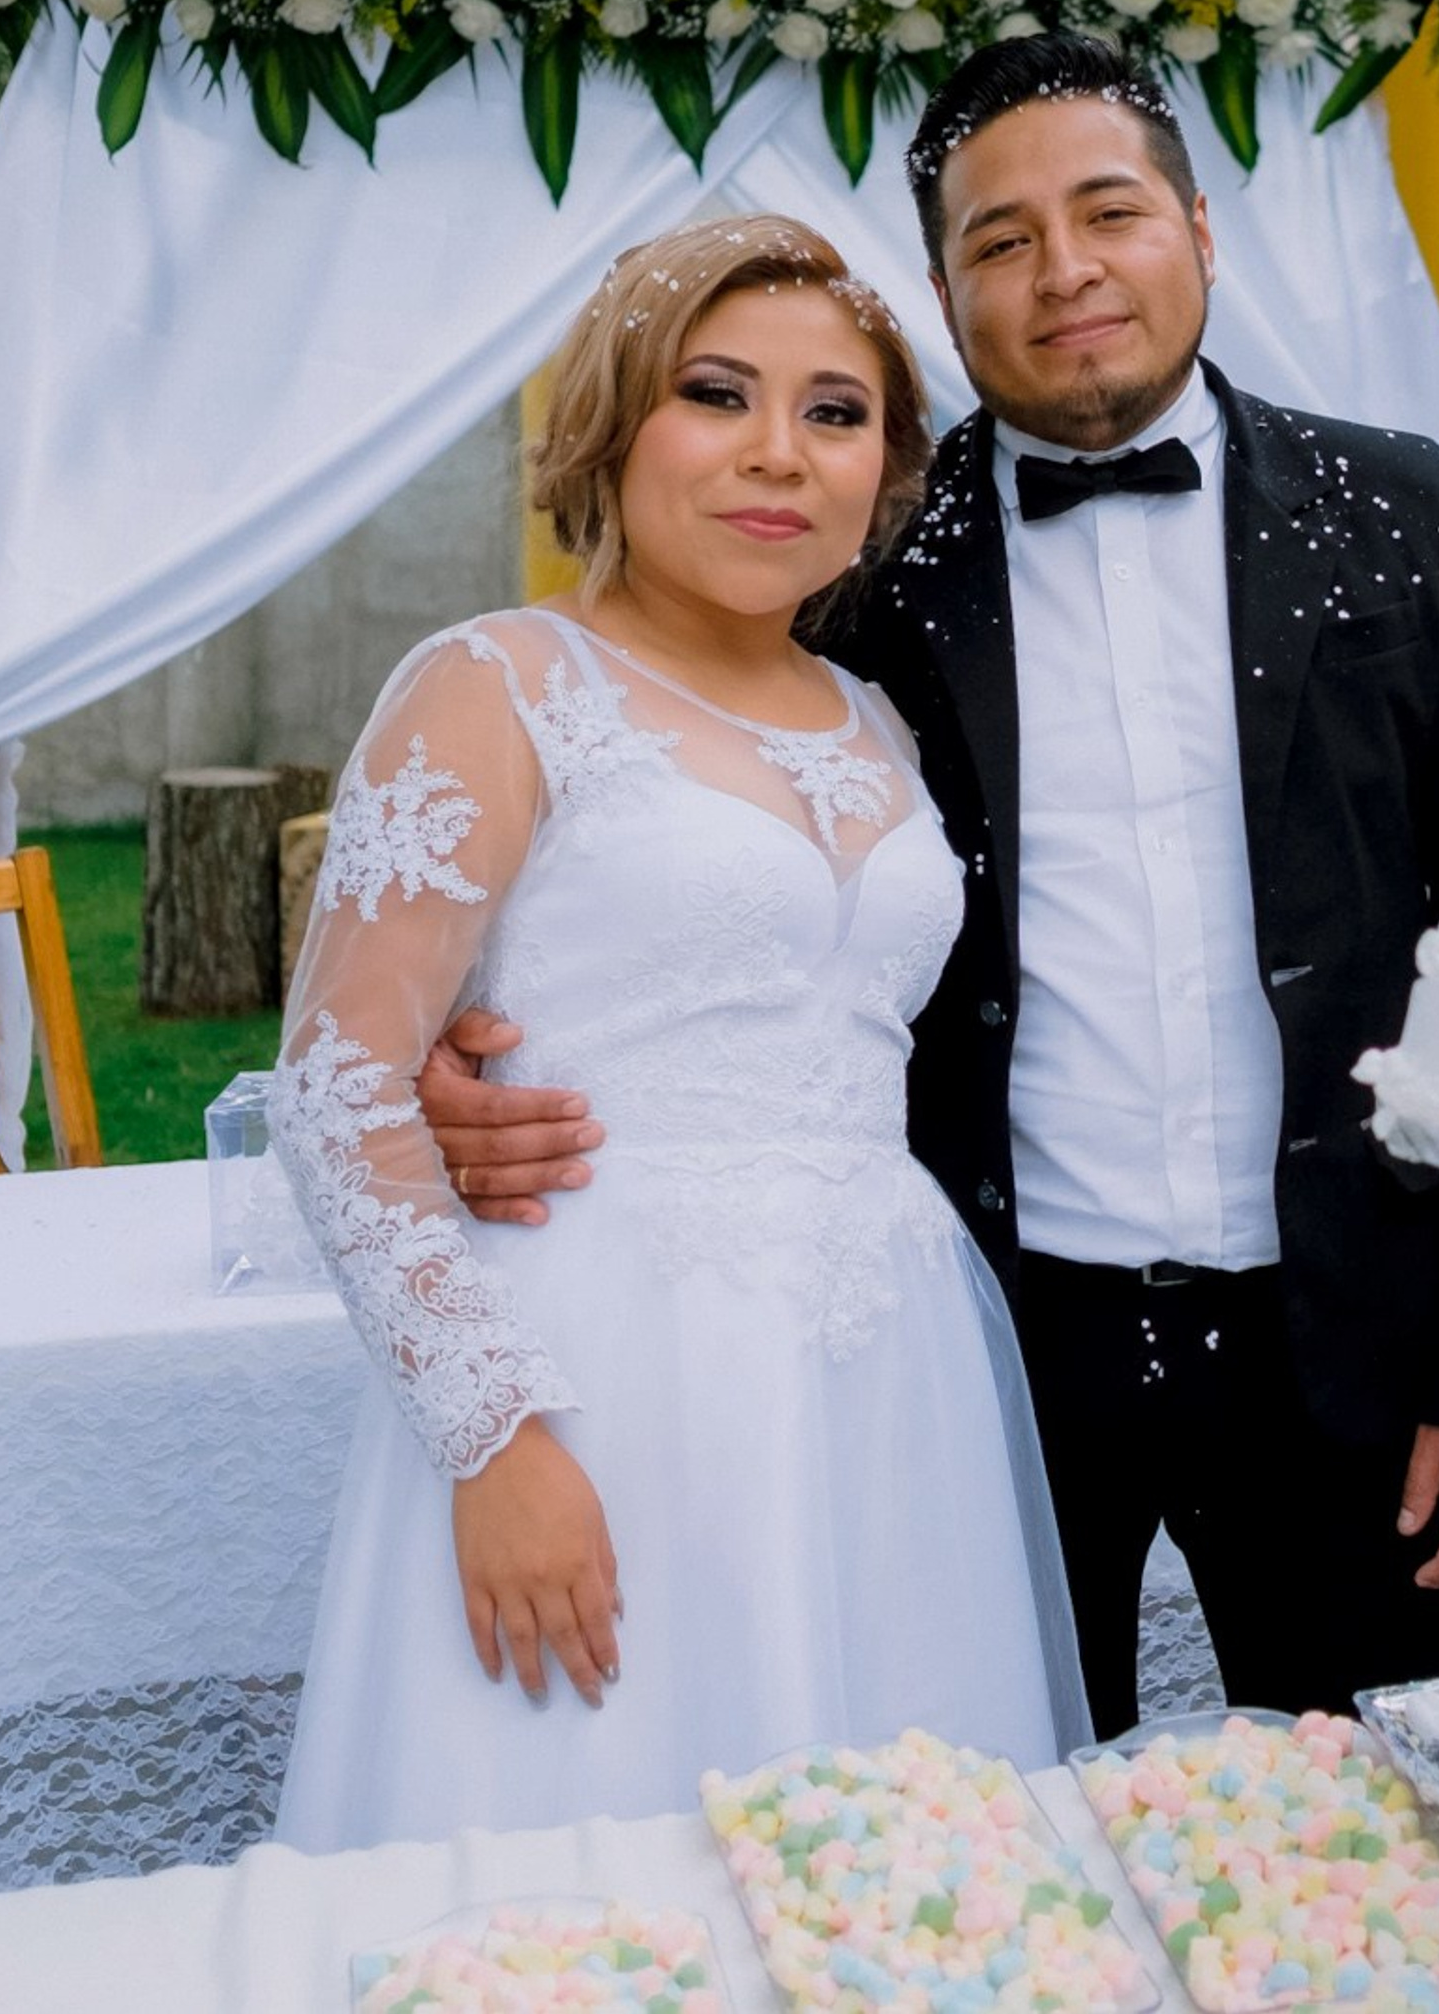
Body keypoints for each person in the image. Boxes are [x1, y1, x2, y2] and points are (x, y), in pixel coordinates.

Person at [429, 35, 1439, 1738]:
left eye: (1108, 211)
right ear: (943, 289)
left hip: (1349, 1344)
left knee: (1375, 1873)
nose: (1064, 272)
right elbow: (670, 828)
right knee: (992, 1849)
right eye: (1000, 239)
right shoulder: (857, 556)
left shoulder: (1392, 514)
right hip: (979, 1354)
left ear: (1199, 228)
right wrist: (470, 1053)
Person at [269, 216, 1086, 1851]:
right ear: (611, 425)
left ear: (885, 466)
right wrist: (491, 1438)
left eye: (836, 411)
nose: (779, 453)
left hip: (888, 1364)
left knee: (910, 1864)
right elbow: (338, 1081)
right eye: (718, 394)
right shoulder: (495, 682)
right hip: (602, 1370)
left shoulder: (879, 721)